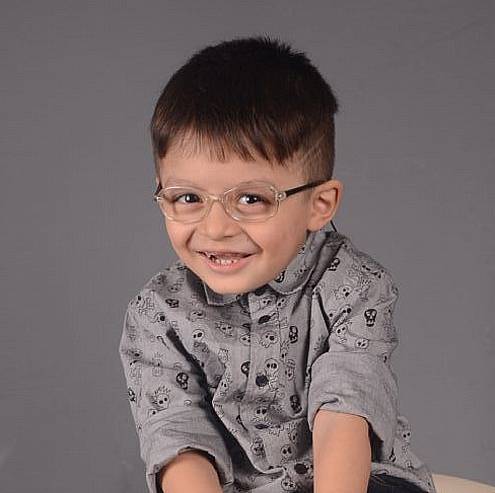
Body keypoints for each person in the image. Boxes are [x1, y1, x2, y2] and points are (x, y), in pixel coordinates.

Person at [118, 36, 437, 493]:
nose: (215, 228)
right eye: (188, 198)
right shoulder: (157, 314)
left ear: (319, 204)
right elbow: (178, 438)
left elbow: (344, 413)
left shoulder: (353, 287)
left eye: (251, 199)